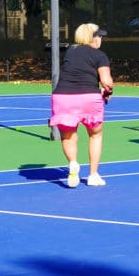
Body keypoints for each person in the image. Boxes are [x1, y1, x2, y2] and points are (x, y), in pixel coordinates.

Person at [50, 23, 114, 187]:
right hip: (88, 97)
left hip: (62, 97)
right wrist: (108, 91)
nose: (100, 39)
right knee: (95, 135)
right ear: (92, 38)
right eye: (99, 36)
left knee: (68, 136)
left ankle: (73, 163)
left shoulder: (70, 51)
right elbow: (106, 82)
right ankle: (93, 175)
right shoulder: (100, 55)